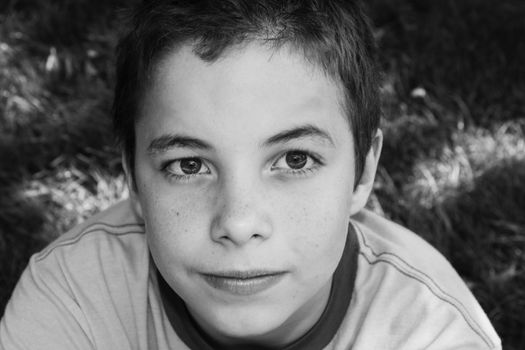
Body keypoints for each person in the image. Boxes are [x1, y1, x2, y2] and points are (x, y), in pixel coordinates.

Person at [0, 0, 501, 349]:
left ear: (362, 171)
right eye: (188, 165)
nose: (238, 222)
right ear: (133, 176)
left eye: (295, 160)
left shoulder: (432, 334)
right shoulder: (74, 301)